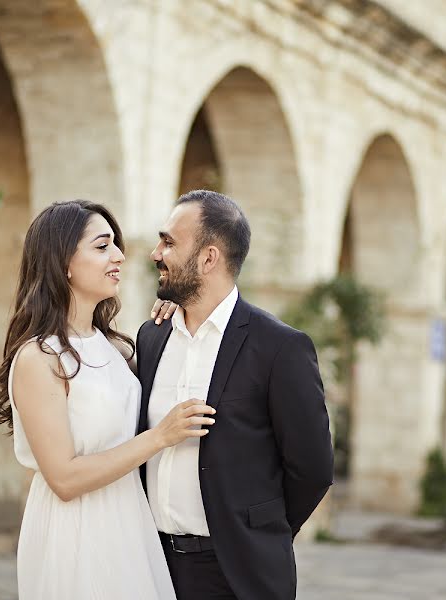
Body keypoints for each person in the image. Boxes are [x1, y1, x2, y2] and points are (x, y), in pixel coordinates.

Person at [0, 200, 210, 599]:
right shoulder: (39, 358)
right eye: (102, 245)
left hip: (129, 520)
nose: (119, 256)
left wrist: (177, 317)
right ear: (63, 262)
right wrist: (160, 438)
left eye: (116, 245)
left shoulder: (115, 349)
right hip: (74, 530)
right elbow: (64, 479)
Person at [136, 189, 335, 600]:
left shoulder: (280, 348)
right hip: (151, 566)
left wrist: (259, 530)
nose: (156, 253)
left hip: (238, 574)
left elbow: (313, 468)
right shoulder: (152, 336)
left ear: (209, 258)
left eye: (169, 242)